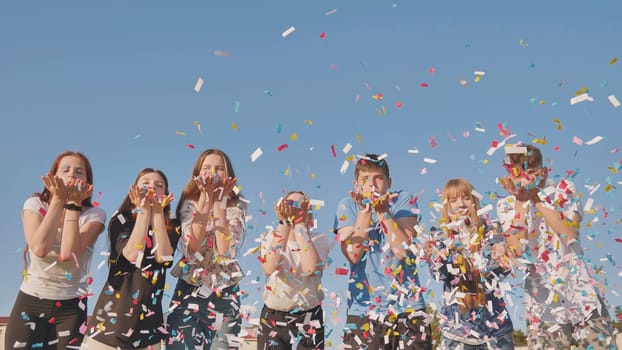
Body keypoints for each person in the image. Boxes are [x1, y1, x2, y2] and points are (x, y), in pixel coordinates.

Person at [496, 144, 617, 349]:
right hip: (542, 306)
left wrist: (535, 196)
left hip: (581, 295)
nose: (527, 177)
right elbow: (516, 249)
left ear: (544, 171)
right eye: (520, 171)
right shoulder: (505, 205)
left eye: (532, 171)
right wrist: (520, 200)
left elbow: (569, 234)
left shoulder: (564, 189)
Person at [5, 151, 106, 349]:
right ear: (53, 176)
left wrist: (74, 203)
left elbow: (69, 254)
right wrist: (58, 200)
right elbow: (40, 248)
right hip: (31, 300)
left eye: (79, 172)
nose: (72, 175)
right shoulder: (34, 204)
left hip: (71, 307)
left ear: (87, 182)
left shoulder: (95, 215)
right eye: (65, 170)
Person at [333, 153, 432, 350]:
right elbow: (353, 253)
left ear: (388, 182)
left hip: (408, 310)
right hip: (363, 312)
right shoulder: (347, 205)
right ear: (357, 185)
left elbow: (402, 250)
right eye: (365, 179)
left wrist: (383, 212)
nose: (372, 184)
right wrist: (367, 210)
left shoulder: (403, 200)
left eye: (378, 178)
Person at [81, 168, 179, 349]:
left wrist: (157, 212)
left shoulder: (172, 227)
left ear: (166, 194)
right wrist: (143, 211)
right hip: (109, 327)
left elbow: (164, 257)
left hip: (148, 334)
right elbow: (131, 255)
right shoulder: (120, 220)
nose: (152, 187)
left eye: (159, 185)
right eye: (146, 183)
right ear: (134, 190)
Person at [166, 149, 247, 350]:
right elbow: (191, 249)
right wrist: (206, 200)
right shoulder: (189, 204)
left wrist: (220, 202)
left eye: (220, 168)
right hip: (189, 288)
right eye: (207, 168)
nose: (213, 172)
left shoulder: (236, 207)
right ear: (197, 175)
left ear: (228, 176)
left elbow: (225, 252)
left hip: (225, 292)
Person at [427, 178, 514, 350]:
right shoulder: (439, 234)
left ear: (474, 200)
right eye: (453, 200)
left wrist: (498, 253)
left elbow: (502, 268)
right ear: (447, 205)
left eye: (466, 198)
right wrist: (451, 247)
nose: (461, 204)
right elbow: (439, 274)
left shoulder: (492, 229)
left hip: (496, 332)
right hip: (456, 334)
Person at [257, 191, 330, 349]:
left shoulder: (319, 240)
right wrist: (284, 223)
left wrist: (300, 225)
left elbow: (310, 268)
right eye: (290, 205)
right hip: (273, 316)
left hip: (309, 316)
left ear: (310, 216)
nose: (294, 210)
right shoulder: (271, 237)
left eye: (301, 206)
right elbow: (270, 267)